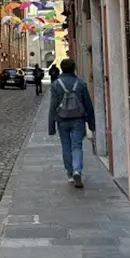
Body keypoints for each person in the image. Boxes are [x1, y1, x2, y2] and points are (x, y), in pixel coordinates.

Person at [48, 58, 95, 188]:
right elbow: (88, 105)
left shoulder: (56, 84)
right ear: (74, 68)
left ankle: (70, 173)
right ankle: (77, 170)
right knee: (77, 146)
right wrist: (92, 123)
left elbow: (53, 106)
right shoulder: (81, 84)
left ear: (62, 69)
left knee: (66, 146)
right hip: (78, 120)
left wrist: (51, 126)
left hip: (62, 120)